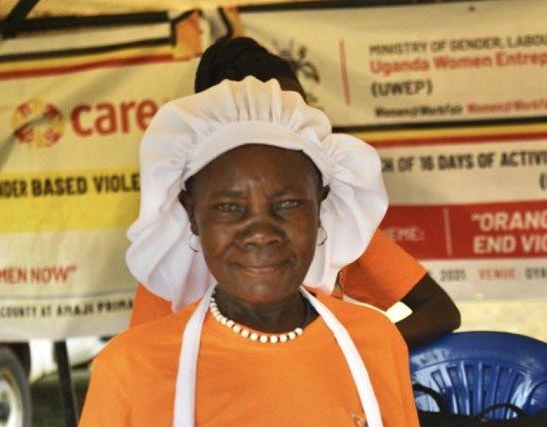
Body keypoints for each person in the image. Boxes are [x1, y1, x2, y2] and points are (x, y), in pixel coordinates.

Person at [40, 77, 443, 427]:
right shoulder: (133, 368)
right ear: (191, 212)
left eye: (288, 205)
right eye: (230, 207)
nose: (261, 232)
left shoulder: (374, 344)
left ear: (321, 207)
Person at [129, 36, 461, 348]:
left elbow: (438, 309)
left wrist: (353, 352)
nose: (262, 234)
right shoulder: (170, 269)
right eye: (231, 206)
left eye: (298, 118)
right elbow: (147, 369)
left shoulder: (339, 227)